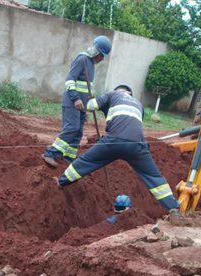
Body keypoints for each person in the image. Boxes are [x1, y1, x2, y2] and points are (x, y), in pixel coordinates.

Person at [58, 85, 183, 219]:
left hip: (114, 140)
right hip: (137, 144)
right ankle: (173, 209)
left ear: (117, 90)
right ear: (130, 94)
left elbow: (91, 106)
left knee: (87, 161)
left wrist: (90, 99)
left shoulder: (112, 94)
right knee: (154, 177)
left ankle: (61, 181)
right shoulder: (139, 104)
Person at [43, 36, 111, 168]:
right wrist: (76, 98)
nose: (102, 59)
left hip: (81, 106)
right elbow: (69, 80)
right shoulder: (82, 59)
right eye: (102, 55)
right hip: (72, 102)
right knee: (72, 128)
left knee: (78, 131)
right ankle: (50, 153)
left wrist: (87, 105)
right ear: (96, 52)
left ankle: (68, 157)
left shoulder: (91, 64)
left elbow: (86, 88)